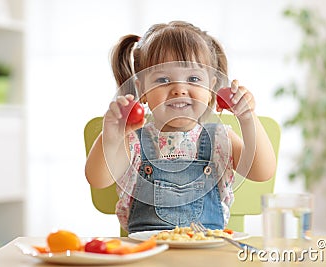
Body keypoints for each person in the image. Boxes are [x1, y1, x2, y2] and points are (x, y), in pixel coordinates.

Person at [85, 21, 276, 233]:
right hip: (148, 252)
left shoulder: (220, 139)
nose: (179, 89)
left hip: (207, 249)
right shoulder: (133, 141)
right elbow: (98, 179)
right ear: (142, 90)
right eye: (163, 79)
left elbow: (262, 171)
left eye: (193, 78)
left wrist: (248, 118)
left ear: (211, 87)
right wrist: (111, 137)